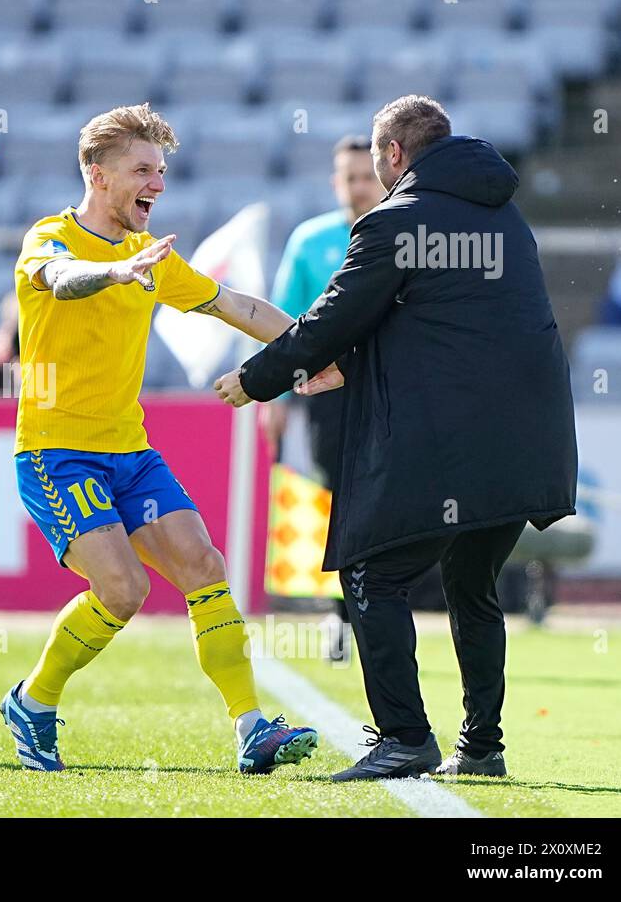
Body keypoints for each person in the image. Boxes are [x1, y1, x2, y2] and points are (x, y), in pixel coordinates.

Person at [214, 95, 578, 780]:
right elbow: (437, 326)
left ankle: (405, 737)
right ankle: (482, 747)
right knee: (473, 582)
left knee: (371, 573)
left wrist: (258, 379)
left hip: (454, 436)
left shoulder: (395, 220)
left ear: (393, 155)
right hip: (534, 433)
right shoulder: (506, 215)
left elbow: (333, 319)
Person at [0, 102, 324, 773]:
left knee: (205, 568)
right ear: (98, 174)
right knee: (123, 592)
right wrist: (115, 272)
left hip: (129, 451)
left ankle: (251, 726)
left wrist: (317, 352)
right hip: (56, 454)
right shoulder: (50, 238)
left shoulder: (152, 258)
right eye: (143, 170)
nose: (158, 183)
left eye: (163, 170)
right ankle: (34, 701)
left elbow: (240, 307)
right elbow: (58, 282)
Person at [263, 134, 384, 661]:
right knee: (335, 501)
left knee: (388, 501)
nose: (358, 187)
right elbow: (283, 325)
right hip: (327, 396)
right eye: (349, 178)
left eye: (366, 177)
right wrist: (275, 398)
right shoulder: (310, 242)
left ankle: (382, 612)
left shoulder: (403, 237)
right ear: (336, 182)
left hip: (392, 391)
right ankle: (340, 615)